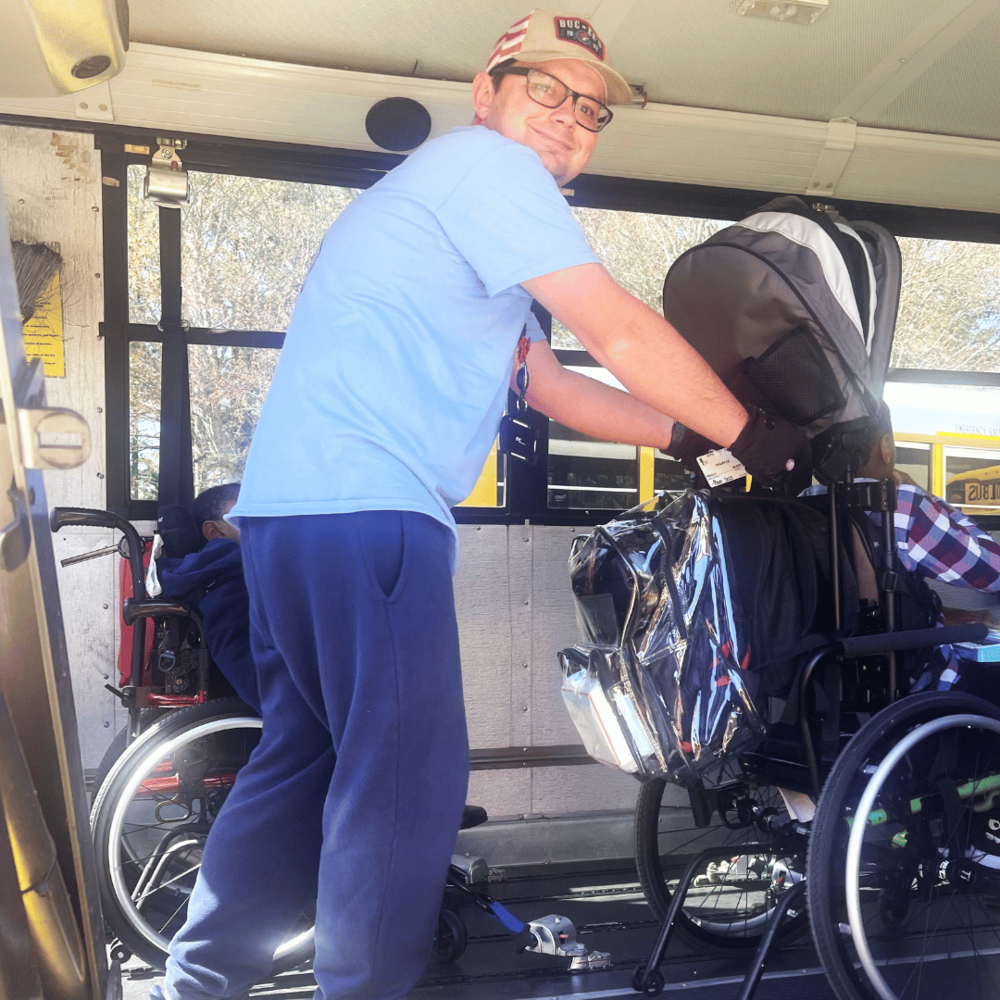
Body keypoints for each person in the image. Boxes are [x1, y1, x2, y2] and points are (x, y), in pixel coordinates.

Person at [156, 11, 809, 1000]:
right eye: (544, 90)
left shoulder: (459, 203)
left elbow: (546, 384)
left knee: (303, 759)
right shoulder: (486, 171)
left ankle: (192, 985)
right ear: (486, 91)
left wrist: (685, 437)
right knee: (406, 782)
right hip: (369, 510)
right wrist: (756, 439)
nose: (567, 120)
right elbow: (620, 328)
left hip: (289, 517)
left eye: (590, 109)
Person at [806, 401, 1000, 691]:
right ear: (885, 446)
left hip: (829, 679)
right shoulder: (903, 507)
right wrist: (926, 496)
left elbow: (860, 603)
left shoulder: (807, 501)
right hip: (919, 682)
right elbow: (993, 571)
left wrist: (944, 614)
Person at [156, 483, 261, 713]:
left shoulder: (232, 568)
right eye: (248, 516)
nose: (263, 522)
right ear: (215, 532)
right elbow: (250, 668)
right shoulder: (231, 570)